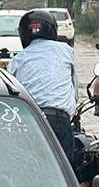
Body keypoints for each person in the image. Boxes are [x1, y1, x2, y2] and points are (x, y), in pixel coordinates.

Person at [8, 9, 78, 161]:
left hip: (31, 120)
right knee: (65, 170)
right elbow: (74, 89)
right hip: (60, 120)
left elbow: (12, 95)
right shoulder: (67, 51)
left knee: (31, 166)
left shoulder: (17, 60)